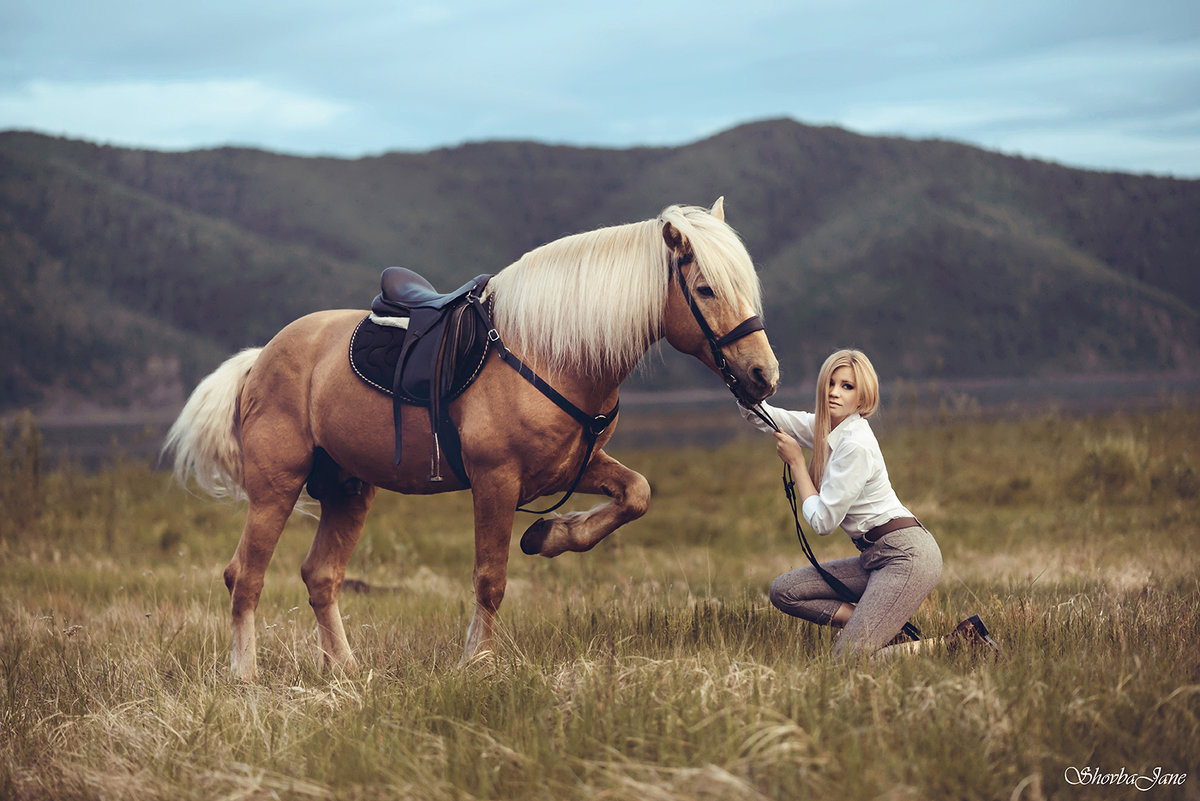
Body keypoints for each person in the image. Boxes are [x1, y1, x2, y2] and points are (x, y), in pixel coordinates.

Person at [741, 348, 997, 661]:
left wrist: (796, 463)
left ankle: (958, 642)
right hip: (877, 556)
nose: (835, 392)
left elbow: (823, 522)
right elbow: (765, 416)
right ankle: (884, 630)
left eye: (847, 386)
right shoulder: (826, 427)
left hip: (906, 556)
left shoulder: (855, 445)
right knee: (785, 591)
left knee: (847, 662)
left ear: (862, 398)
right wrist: (741, 382)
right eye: (831, 383)